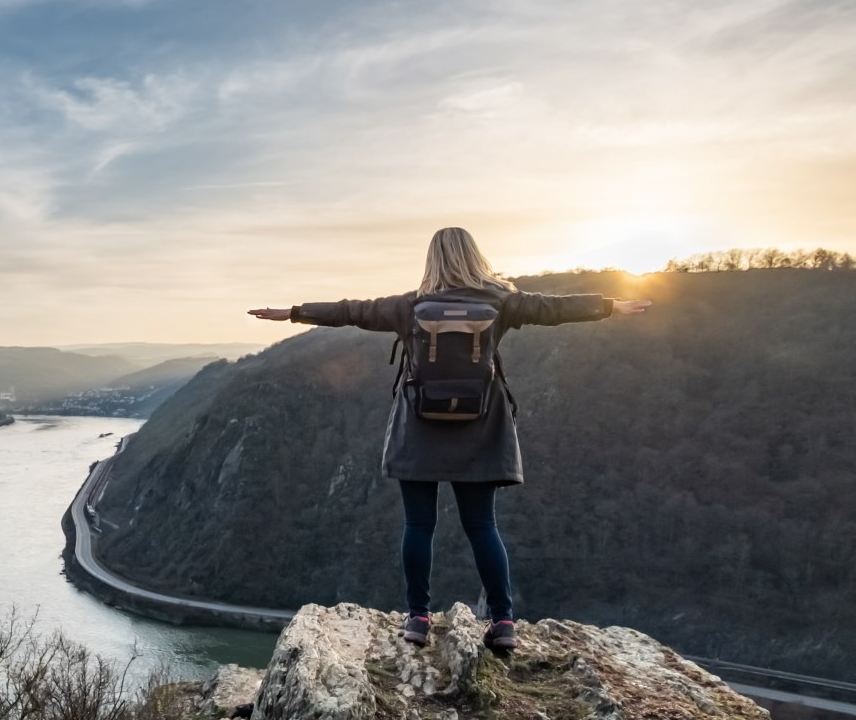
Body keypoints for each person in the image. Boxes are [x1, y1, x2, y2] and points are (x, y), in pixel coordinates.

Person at [248, 226, 650, 655]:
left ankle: (418, 618)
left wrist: (293, 311)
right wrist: (609, 306)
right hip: (480, 426)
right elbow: (553, 308)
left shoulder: (409, 307)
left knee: (418, 525)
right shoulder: (501, 302)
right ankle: (503, 621)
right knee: (482, 526)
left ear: (432, 260)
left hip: (419, 427)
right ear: (476, 257)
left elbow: (352, 310)